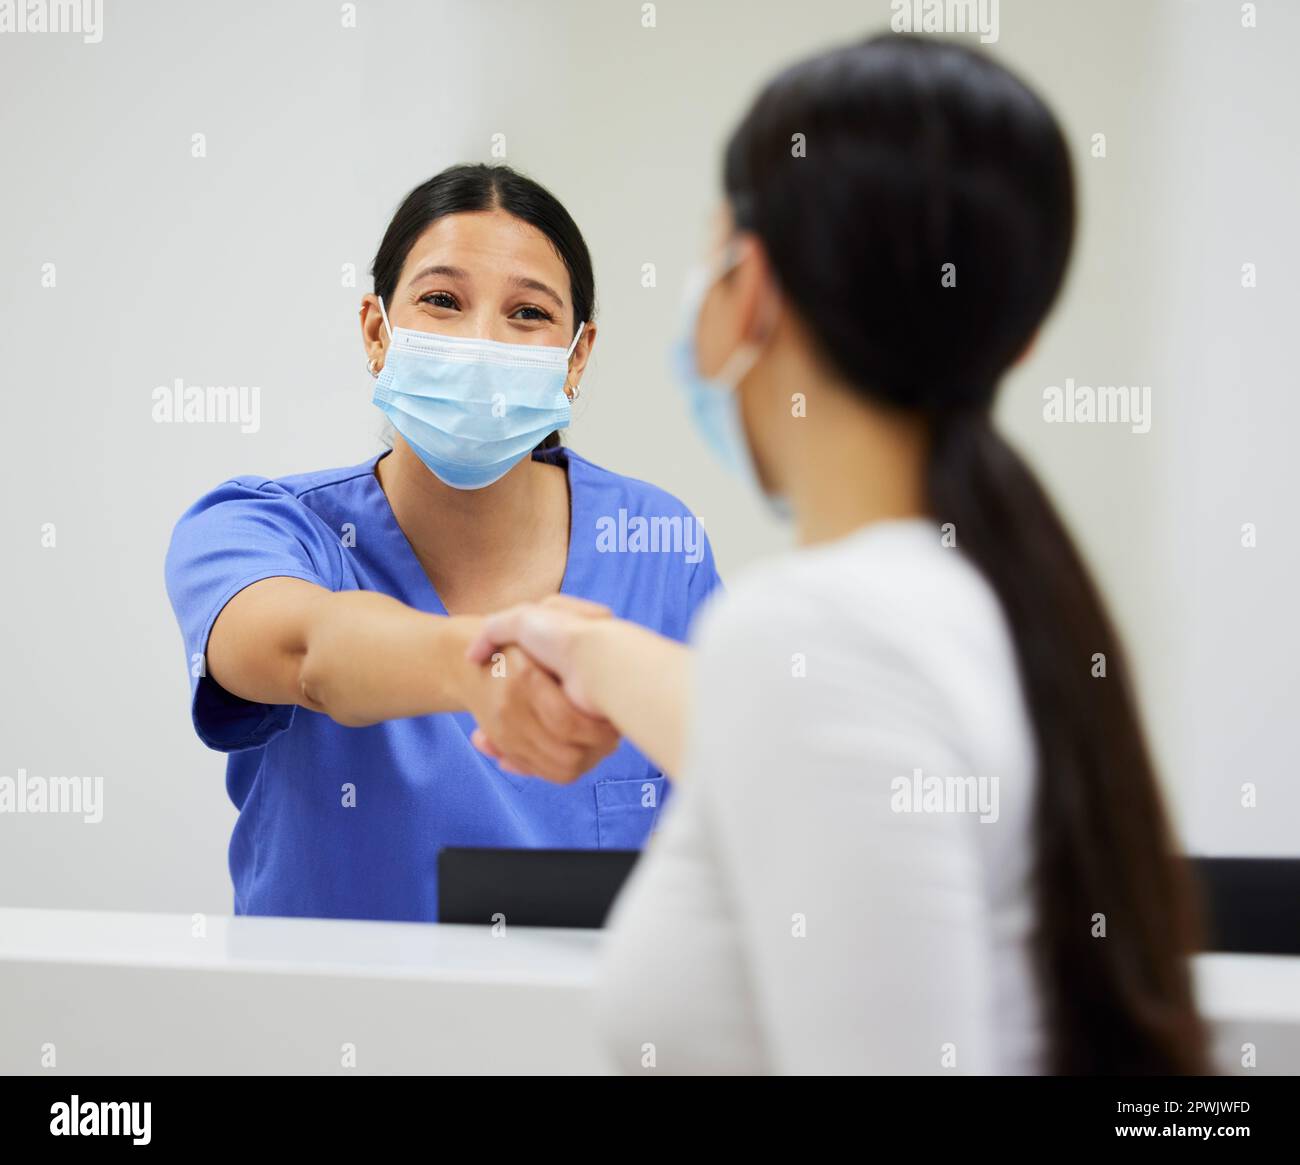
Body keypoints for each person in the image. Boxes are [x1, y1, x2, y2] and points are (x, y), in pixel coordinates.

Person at [466, 36, 1209, 1074]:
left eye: (710, 259)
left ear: (752, 289)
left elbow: (808, 714)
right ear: (1016, 338)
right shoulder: (983, 602)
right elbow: (792, 751)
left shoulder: (818, 634)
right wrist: (588, 652)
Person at [164, 164, 720, 923]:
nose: (482, 341)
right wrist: (486, 670)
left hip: (582, 1035)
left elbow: (724, 801)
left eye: (528, 313)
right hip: (320, 1029)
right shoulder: (260, 528)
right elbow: (308, 652)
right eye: (442, 301)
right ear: (375, 331)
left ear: (577, 355)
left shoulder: (659, 546)